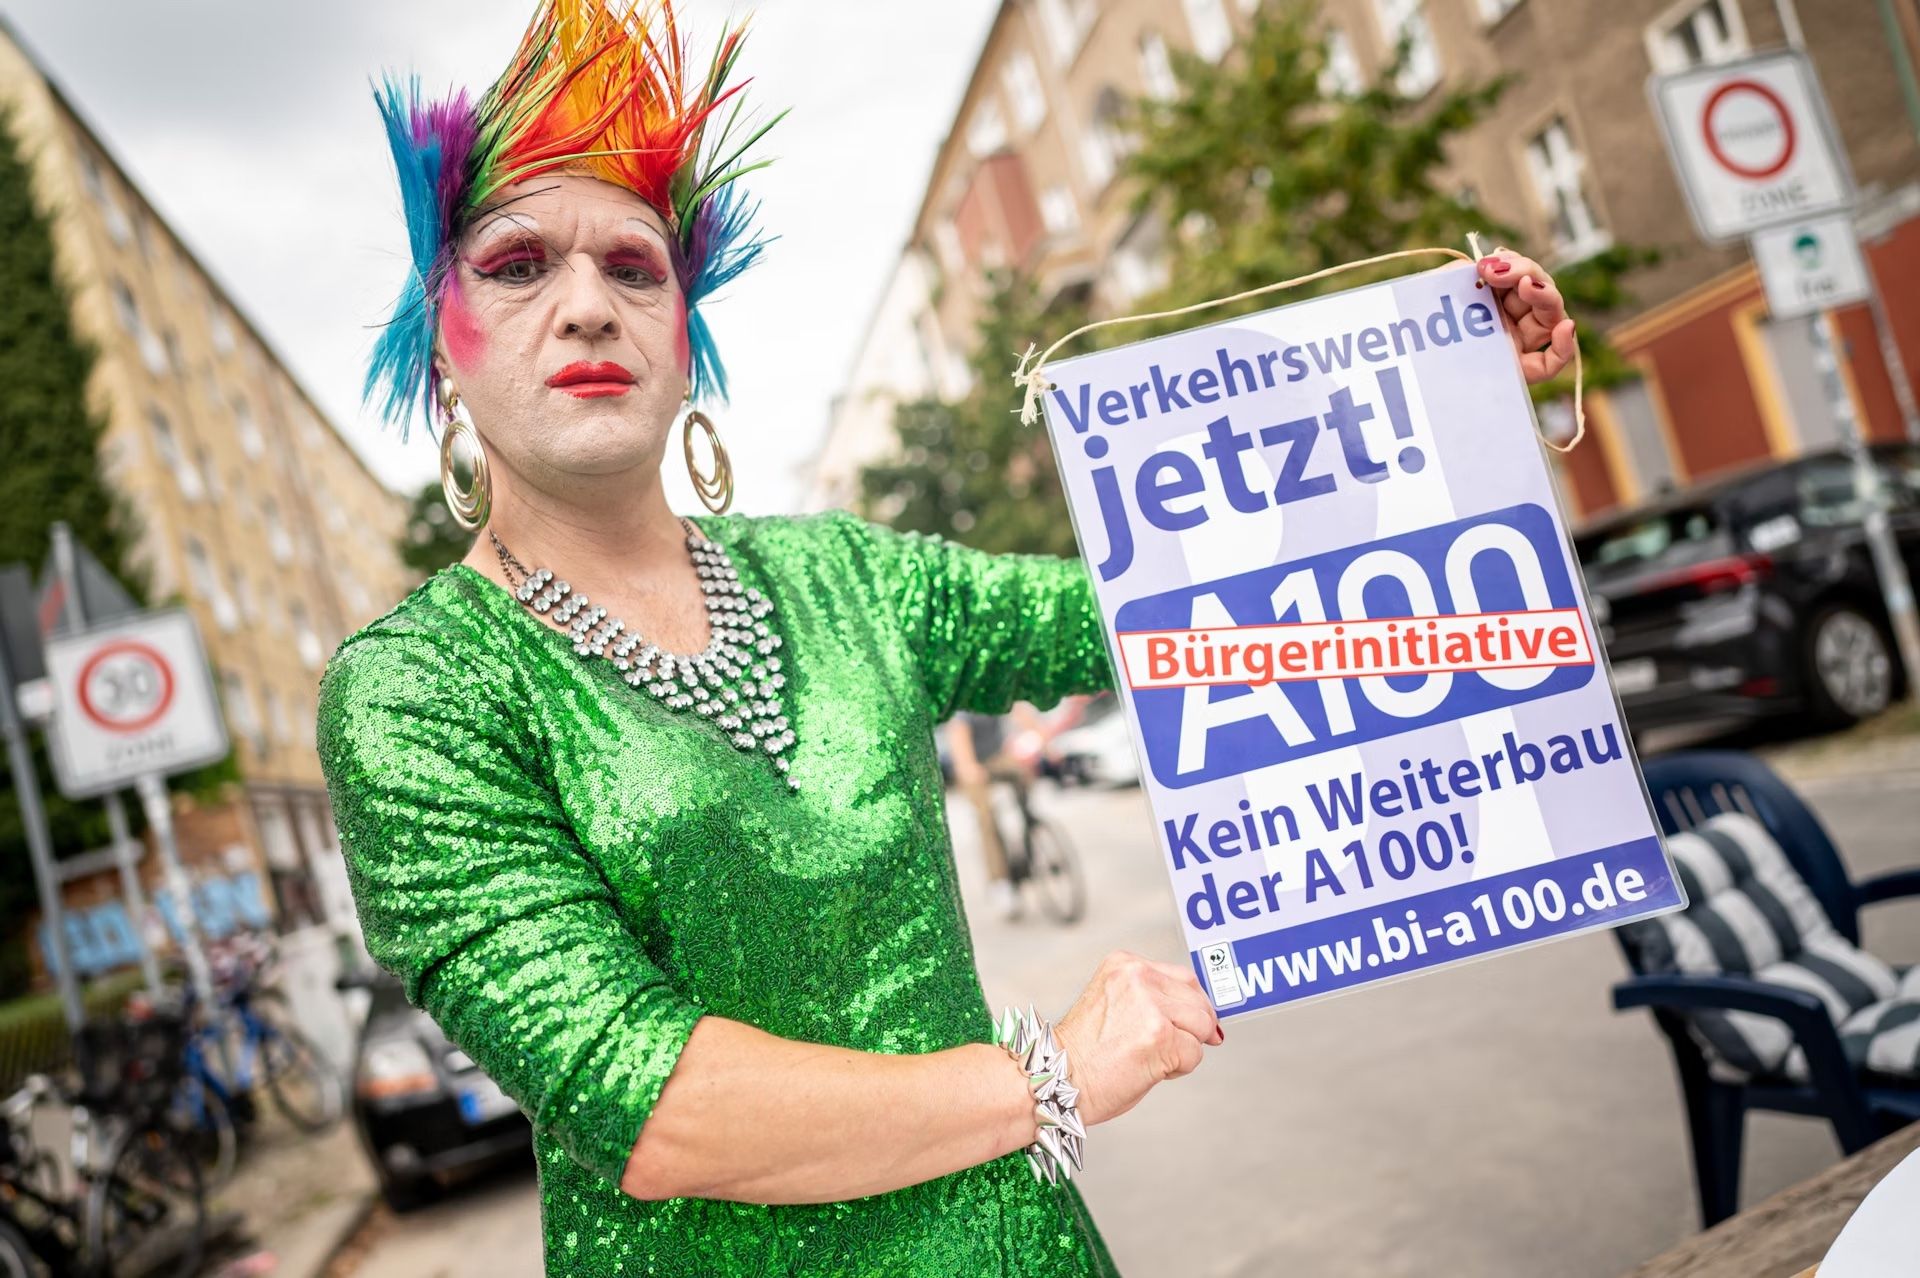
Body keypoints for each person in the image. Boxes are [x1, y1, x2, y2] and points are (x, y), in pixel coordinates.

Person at [316, 3, 1581, 1272]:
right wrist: (1053, 1076)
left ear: (684, 342)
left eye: (634, 267)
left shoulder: (841, 573)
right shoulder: (415, 691)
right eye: (520, 264)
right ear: (441, 348)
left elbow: (1145, 604)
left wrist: (1440, 410)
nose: (587, 306)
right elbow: (642, 1101)